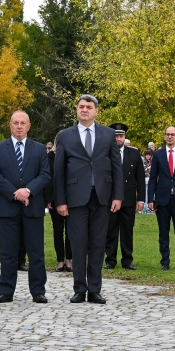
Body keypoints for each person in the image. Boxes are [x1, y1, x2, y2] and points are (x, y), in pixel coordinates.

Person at [53, 94, 123, 304]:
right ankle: (79, 289)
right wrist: (60, 201)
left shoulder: (108, 134)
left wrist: (118, 196)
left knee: (98, 244)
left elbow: (116, 167)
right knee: (78, 244)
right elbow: (59, 171)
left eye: (89, 107)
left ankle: (94, 289)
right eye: (81, 106)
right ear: (76, 109)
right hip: (75, 199)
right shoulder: (65, 136)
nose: (84, 110)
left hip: (102, 197)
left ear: (96, 111)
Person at [0, 111, 52, 303]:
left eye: (22, 123)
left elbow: (45, 175)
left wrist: (28, 190)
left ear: (29, 126)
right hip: (8, 207)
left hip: (33, 208)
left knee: (36, 252)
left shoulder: (39, 149)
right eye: (15, 123)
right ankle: (6, 291)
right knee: (8, 252)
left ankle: (38, 291)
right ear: (10, 125)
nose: (19, 126)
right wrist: (15, 193)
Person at [105, 123, 145, 270]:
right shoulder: (105, 153)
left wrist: (141, 199)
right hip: (110, 198)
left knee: (127, 231)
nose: (118, 139)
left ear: (124, 137)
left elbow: (140, 178)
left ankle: (127, 260)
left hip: (128, 198)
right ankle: (110, 260)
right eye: (116, 136)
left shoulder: (134, 153)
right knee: (111, 230)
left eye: (121, 136)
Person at [149, 126, 175, 271]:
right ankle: (165, 262)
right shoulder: (158, 154)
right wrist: (150, 199)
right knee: (163, 233)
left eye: (172, 134)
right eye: (168, 134)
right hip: (162, 200)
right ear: (164, 136)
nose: (170, 137)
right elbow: (153, 177)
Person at [45, 135, 72, 272]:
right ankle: (60, 260)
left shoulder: (71, 156)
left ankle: (69, 260)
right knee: (58, 230)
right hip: (54, 200)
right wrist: (48, 198)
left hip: (71, 199)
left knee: (70, 231)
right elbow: (46, 179)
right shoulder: (48, 158)